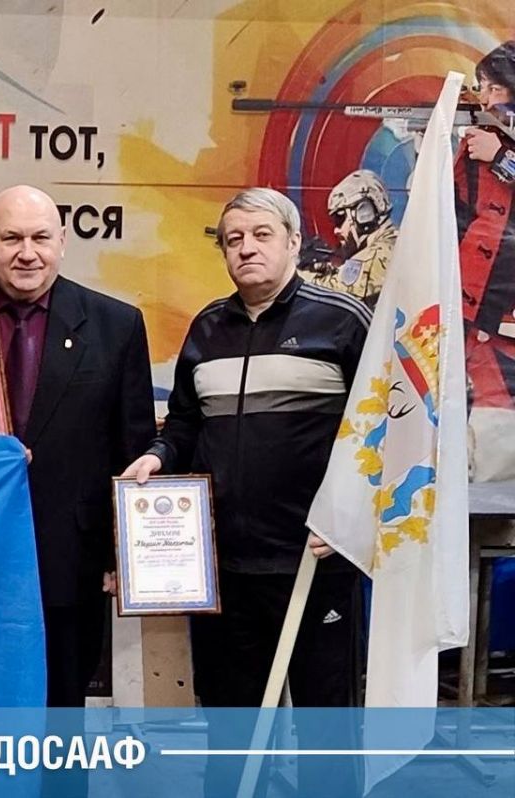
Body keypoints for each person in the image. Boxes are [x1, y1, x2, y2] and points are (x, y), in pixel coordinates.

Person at [122, 187, 369, 796]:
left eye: (261, 235)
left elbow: (384, 432)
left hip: (316, 564)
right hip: (225, 570)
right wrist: (157, 457)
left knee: (327, 731)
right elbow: (184, 424)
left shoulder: (342, 320)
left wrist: (354, 516)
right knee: (231, 730)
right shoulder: (207, 329)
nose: (246, 248)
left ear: (293, 241)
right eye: (233, 239)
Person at [0, 184, 156, 707]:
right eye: (11, 238)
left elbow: (131, 445)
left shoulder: (116, 325)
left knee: (60, 711)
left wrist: (123, 554)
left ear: (62, 241)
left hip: (70, 560)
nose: (27, 253)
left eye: (40, 238)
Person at [458, 41, 515, 414]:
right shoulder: (479, 142)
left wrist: (501, 157)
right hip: (478, 310)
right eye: (483, 87)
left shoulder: (496, 146)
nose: (486, 99)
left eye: (496, 88)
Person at [310, 169, 396, 308]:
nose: (336, 230)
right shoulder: (393, 243)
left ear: (364, 213)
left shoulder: (380, 252)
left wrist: (293, 275)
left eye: (340, 219)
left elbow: (335, 294)